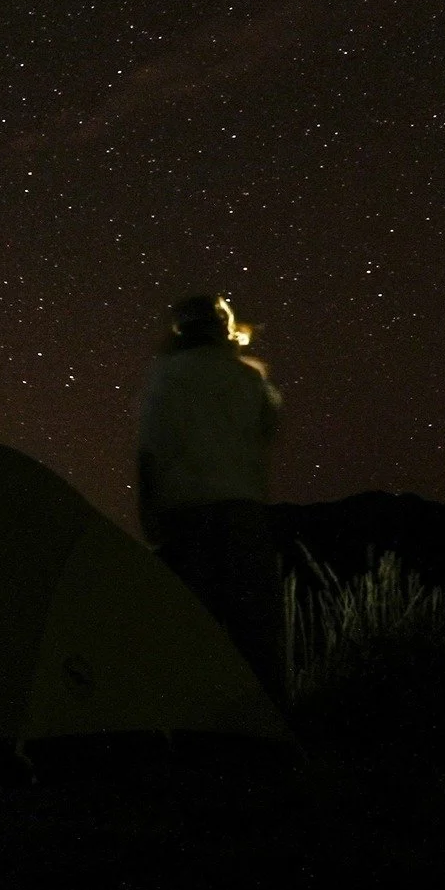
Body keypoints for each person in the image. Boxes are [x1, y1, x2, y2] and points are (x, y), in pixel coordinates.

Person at [138, 294, 286, 703]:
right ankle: (268, 736)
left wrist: (150, 518)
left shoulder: (165, 376)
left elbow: (150, 452)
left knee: (192, 635)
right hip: (243, 515)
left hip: (184, 520)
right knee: (255, 638)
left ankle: (195, 734)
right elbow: (266, 427)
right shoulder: (248, 379)